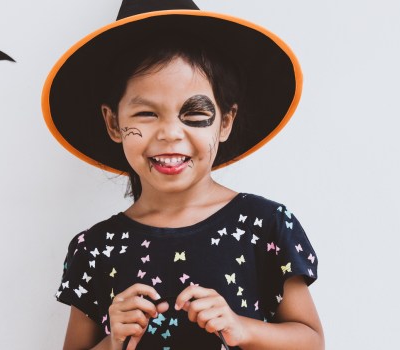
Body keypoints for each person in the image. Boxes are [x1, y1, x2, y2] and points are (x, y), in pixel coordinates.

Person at [42, 1, 322, 349]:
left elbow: (312, 341)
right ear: (114, 122)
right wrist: (113, 341)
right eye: (146, 113)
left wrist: (243, 329)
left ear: (225, 122)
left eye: (194, 114)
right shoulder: (96, 248)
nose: (170, 133)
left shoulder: (265, 225)